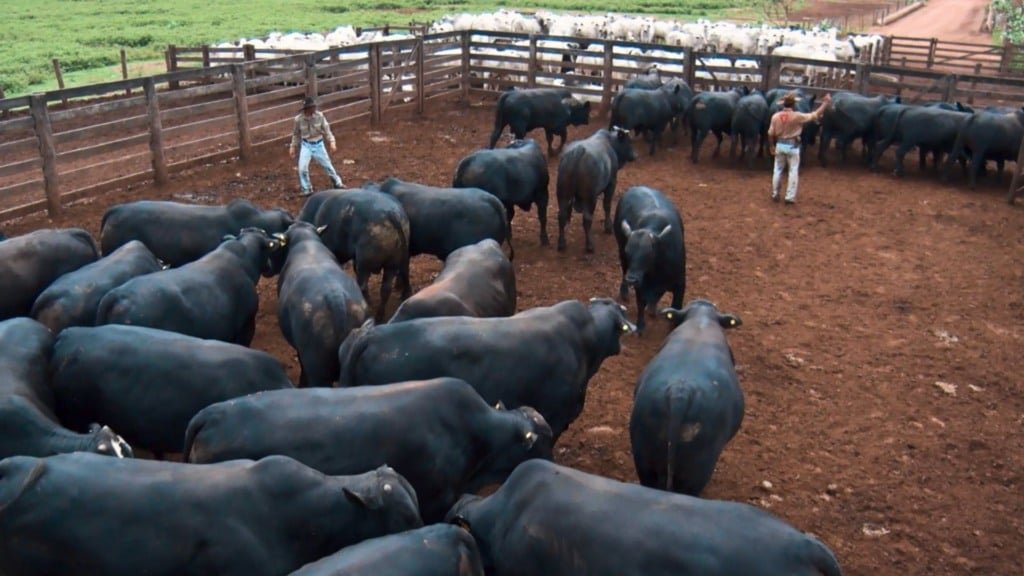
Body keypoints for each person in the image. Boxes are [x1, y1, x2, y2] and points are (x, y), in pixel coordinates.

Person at [767, 91, 831, 204]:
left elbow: (770, 133)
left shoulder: (775, 116)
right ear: (793, 105)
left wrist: (771, 145)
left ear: (783, 104)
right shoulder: (797, 116)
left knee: (777, 170)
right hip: (793, 146)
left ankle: (775, 193)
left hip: (780, 144)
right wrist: (825, 103)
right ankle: (789, 196)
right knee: (793, 171)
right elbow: (815, 115)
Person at [289, 96, 344, 195]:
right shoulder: (298, 120)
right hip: (306, 145)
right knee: (302, 168)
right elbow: (296, 134)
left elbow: (327, 130)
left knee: (327, 166)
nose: (314, 109)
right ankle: (307, 189)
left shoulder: (320, 116)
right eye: (311, 107)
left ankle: (337, 183)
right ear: (306, 109)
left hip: (318, 144)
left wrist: (332, 141)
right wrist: (293, 146)